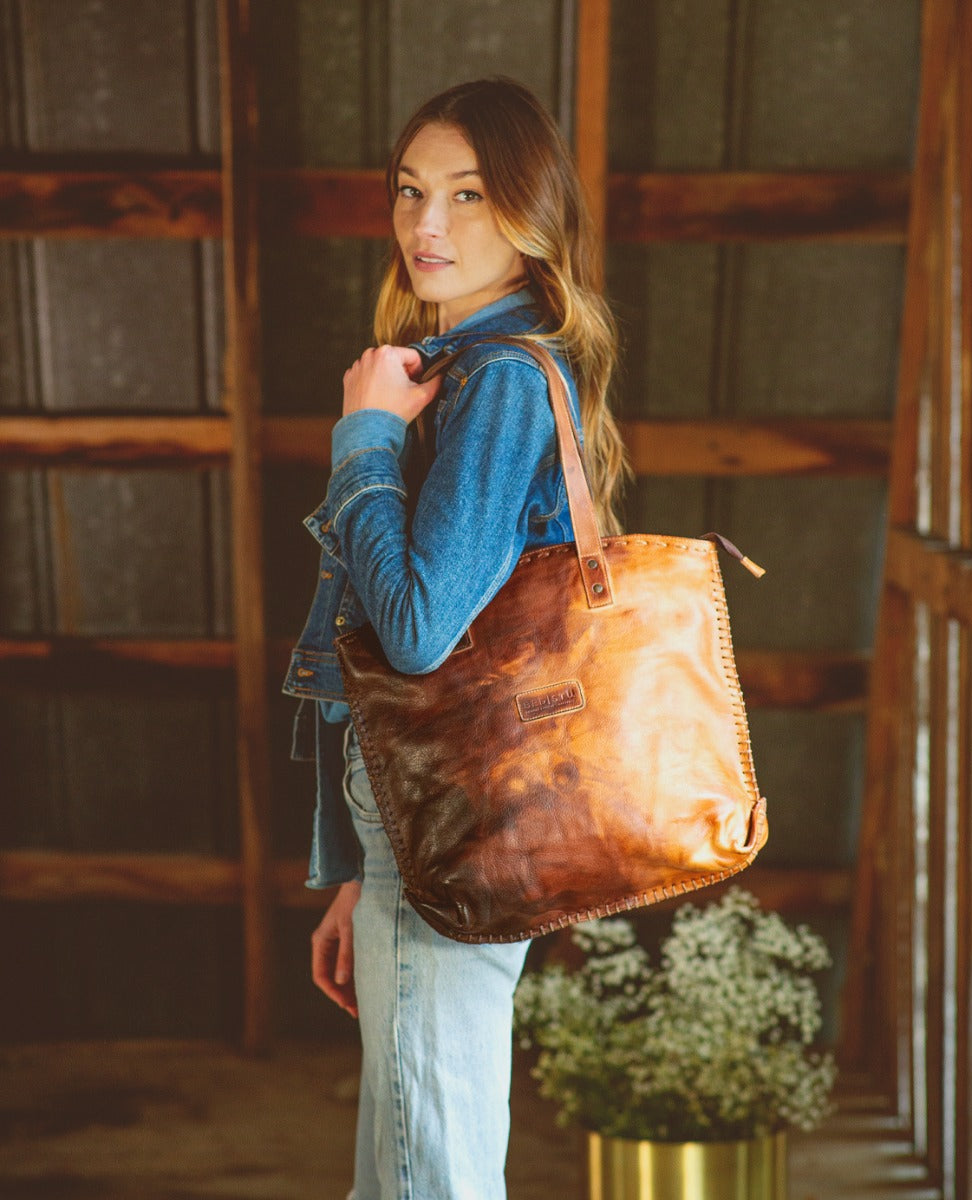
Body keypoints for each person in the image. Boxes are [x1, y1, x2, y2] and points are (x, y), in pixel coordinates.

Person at [283, 76, 626, 1200]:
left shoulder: (497, 383)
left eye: (469, 196)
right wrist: (360, 874)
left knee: (424, 1171)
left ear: (527, 216)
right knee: (407, 1158)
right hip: (425, 833)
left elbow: (420, 632)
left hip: (447, 826)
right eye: (410, 192)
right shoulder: (457, 369)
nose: (427, 226)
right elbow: (395, 677)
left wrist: (366, 439)